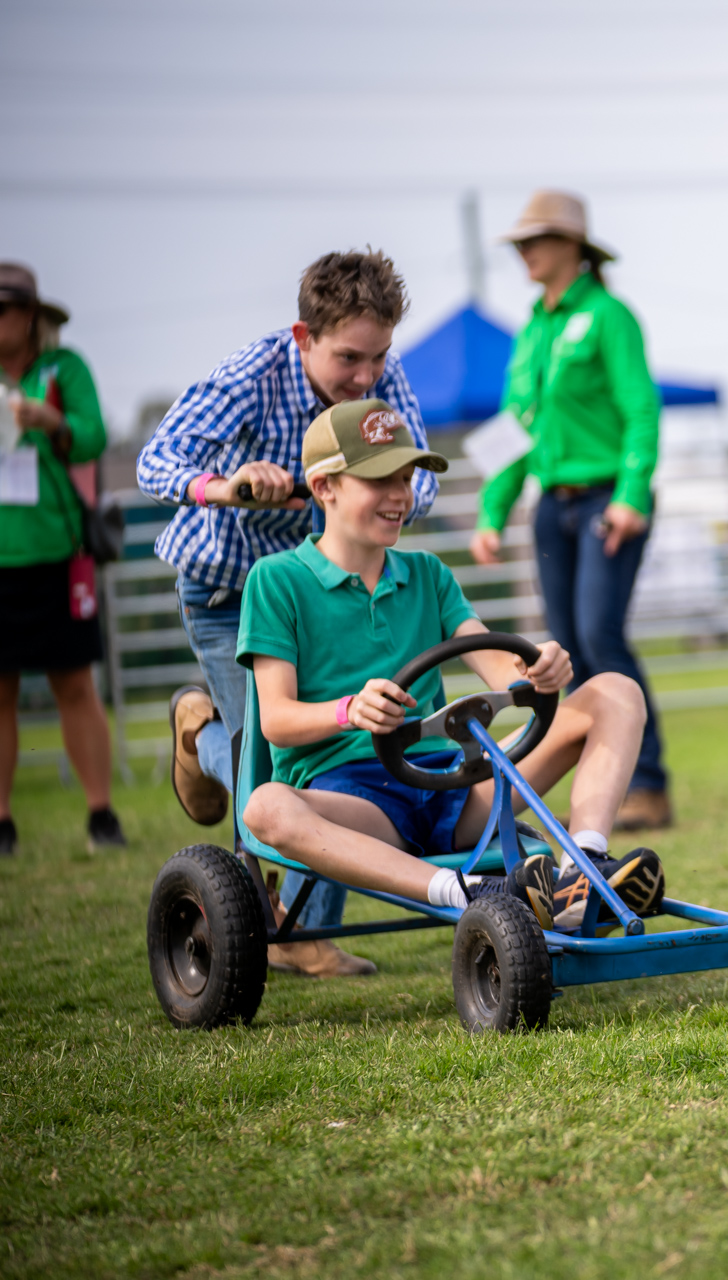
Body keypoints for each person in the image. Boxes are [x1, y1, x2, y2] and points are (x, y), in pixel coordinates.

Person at [239, 400, 664, 930]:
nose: (400, 495)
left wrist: (540, 669)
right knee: (265, 808)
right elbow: (276, 720)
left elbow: (502, 668)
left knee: (617, 690)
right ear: (325, 486)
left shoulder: (428, 574)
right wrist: (351, 710)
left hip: (452, 784)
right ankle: (466, 893)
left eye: (406, 478)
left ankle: (584, 868)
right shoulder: (276, 580)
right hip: (352, 801)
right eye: (380, 479)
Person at [138, 249, 436, 977]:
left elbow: (420, 485)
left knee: (341, 749)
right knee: (266, 756)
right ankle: (205, 736)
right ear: (304, 338)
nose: (366, 377)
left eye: (378, 356)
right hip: (228, 589)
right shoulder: (252, 375)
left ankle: (302, 932)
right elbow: (157, 460)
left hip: (323, 592)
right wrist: (225, 484)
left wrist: (359, 489)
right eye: (349, 359)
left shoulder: (380, 377)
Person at [470, 191, 671, 832]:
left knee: (598, 633)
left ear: (571, 246)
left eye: (535, 241)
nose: (524, 253)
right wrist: (492, 511)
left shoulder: (610, 316)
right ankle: (594, 783)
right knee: (560, 647)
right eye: (520, 243)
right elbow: (515, 428)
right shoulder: (531, 330)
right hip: (549, 506)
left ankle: (648, 784)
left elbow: (641, 408)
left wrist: (631, 495)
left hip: (606, 499)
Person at [0, 262, 124, 854]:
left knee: (75, 683)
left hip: (58, 552)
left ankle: (101, 815)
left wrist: (53, 421)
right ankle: (2, 823)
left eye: (4, 309)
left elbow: (93, 435)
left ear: (30, 315)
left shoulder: (63, 368)